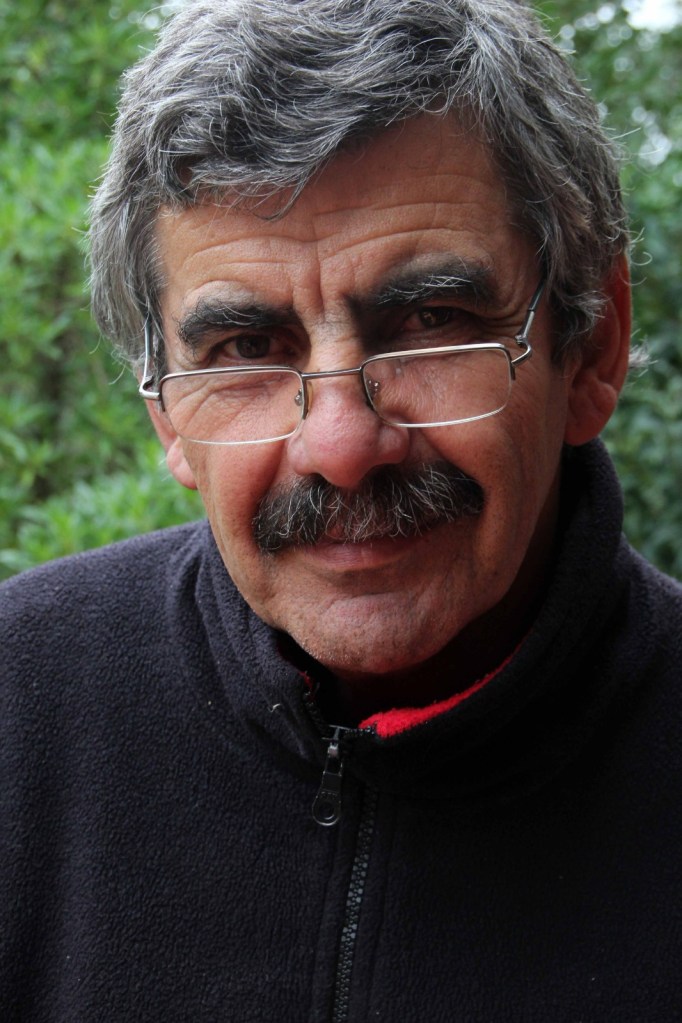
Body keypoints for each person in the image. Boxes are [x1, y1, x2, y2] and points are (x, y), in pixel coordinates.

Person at [1, 0, 681, 1018]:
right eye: (245, 349)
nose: (341, 447)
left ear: (592, 348)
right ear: (165, 413)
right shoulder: (19, 713)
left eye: (431, 321)